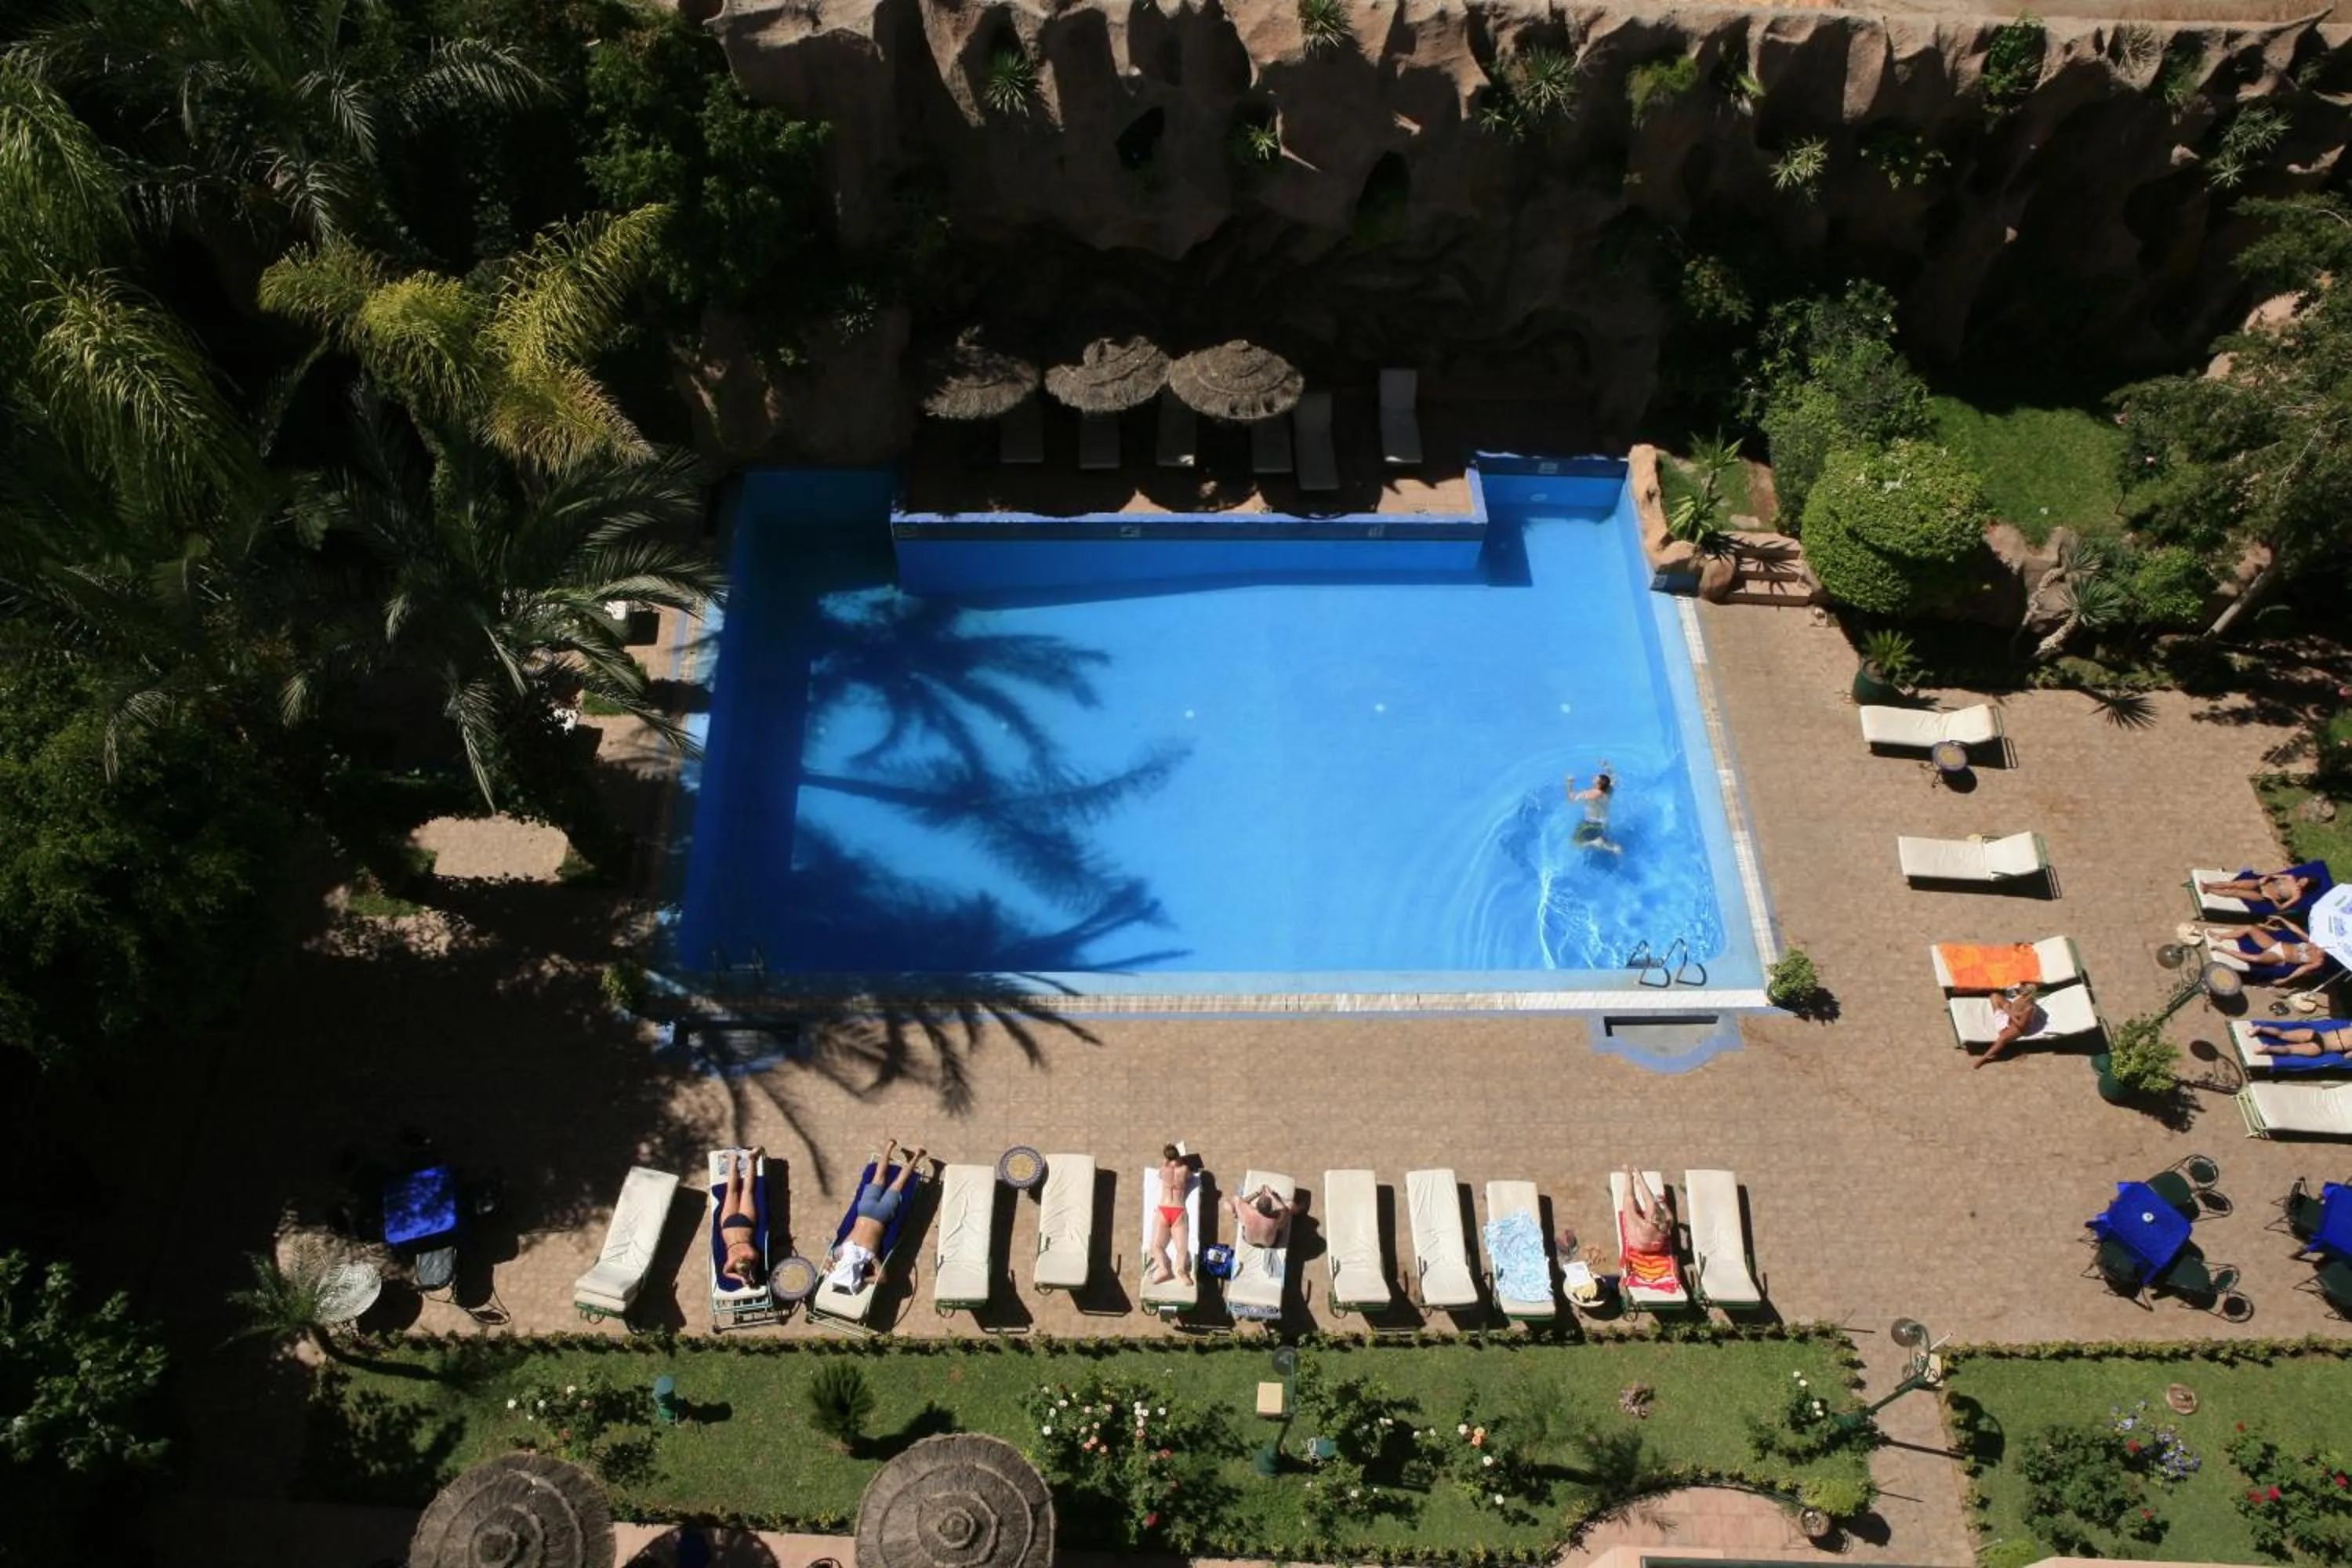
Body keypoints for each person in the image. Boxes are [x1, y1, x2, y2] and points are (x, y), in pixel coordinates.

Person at [825, 1137, 928, 1290]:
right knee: (878, 1176)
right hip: (865, 1210)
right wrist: (831, 1266)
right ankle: (889, 1146)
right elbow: (828, 1257)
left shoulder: (868, 1256)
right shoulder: (842, 1251)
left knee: (898, 1183)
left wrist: (863, 1280)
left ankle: (917, 1156)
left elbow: (882, 1278)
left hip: (882, 1215)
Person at [2205, 917, 2333, 985]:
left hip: (2280, 956)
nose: (2322, 948)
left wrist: (2285, 980)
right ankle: (2220, 936)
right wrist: (2282, 920)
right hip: (2276, 944)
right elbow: (2297, 930)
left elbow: (2301, 970)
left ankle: (2223, 950)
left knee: (2256, 958)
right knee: (2250, 928)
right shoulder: (2314, 942)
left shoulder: (2318, 962)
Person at [717, 1146, 765, 1288]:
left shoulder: (752, 1256)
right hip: (728, 1225)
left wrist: (744, 1279)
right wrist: (741, 1277)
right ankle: (733, 1160)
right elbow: (726, 1272)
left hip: (745, 1224)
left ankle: (752, 1158)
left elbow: (729, 1273)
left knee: (747, 1192)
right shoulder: (731, 1261)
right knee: (731, 1192)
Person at [1146, 1143, 1192, 1287]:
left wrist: (1165, 1162)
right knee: (1182, 1248)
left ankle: (1163, 1267)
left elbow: (1160, 1174)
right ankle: (1181, 1270)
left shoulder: (1164, 1170)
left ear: (1166, 1157)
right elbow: (1190, 1177)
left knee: (1156, 1246)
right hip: (1178, 1210)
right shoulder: (1184, 1170)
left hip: (1164, 1210)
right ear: (1178, 1154)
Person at [1973, 984, 2042, 1070]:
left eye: (2021, 991)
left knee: (2002, 1038)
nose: (2018, 992)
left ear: (2027, 994)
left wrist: (2009, 1012)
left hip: (2018, 1026)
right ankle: (2006, 1015)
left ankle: (1984, 1058)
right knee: (1994, 996)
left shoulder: (2029, 1008)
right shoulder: (2020, 998)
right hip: (2010, 1016)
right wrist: (2008, 1009)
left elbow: (2021, 1025)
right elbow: (2015, 1009)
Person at [1616, 1167, 1675, 1256]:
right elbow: (1666, 1212)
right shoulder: (1669, 1220)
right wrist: (1663, 1204)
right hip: (1658, 1247)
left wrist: (1632, 1214)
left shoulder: (1646, 1227)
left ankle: (1629, 1176)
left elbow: (1634, 1214)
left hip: (1639, 1246)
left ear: (1652, 1219)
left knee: (1629, 1202)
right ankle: (1640, 1179)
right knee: (1651, 1203)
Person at [1566, 764, 1622, 855]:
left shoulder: (1590, 794)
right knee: (1603, 840)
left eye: (1596, 778)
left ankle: (1593, 843)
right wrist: (1606, 766)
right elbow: (1614, 777)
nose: (1594, 777)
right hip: (1604, 823)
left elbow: (1571, 798)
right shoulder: (1609, 790)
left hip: (1591, 824)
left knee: (1574, 843)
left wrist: (1569, 783)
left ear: (1598, 784)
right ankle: (1614, 848)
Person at [2198, 868, 2320, 909]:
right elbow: (2272, 875)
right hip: (2260, 884)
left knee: (2235, 892)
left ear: (2306, 887)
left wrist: (2272, 899)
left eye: (2305, 883)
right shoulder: (2290, 877)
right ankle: (2208, 885)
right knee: (2233, 884)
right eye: (2303, 879)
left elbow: (2281, 907)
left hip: (2264, 897)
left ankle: (2208, 890)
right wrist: (2266, 878)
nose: (2301, 882)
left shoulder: (2297, 895)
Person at [1227, 1183, 1296, 1247]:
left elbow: (1241, 1201)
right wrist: (1270, 1195)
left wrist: (1257, 1193)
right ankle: (1301, 1208)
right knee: (1290, 1206)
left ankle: (1236, 1214)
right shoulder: (1274, 1219)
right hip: (1270, 1244)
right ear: (1271, 1208)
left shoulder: (1248, 1212)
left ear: (1256, 1205)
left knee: (1236, 1199)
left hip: (1249, 1241)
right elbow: (1283, 1208)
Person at [2247, 1022, 2344, 1057]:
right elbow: (2347, 1057)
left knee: (2283, 1034)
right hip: (2321, 1047)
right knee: (2289, 1050)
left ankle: (2260, 1029)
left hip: (2317, 1035)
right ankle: (2268, 1049)